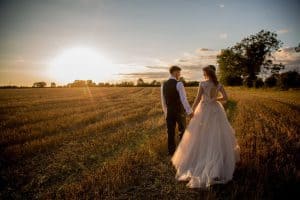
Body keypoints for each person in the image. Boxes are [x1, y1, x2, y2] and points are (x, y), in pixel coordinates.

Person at [171, 65, 240, 188]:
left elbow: (198, 99)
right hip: (215, 109)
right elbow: (225, 98)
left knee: (201, 133)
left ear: (206, 73)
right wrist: (215, 99)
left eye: (203, 73)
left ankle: (202, 158)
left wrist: (191, 111)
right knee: (217, 134)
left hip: (203, 109)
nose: (203, 75)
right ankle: (219, 162)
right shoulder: (218, 84)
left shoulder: (202, 84)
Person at [161, 66, 194, 156]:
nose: (179, 75)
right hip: (179, 111)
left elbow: (163, 101)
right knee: (182, 131)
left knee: (170, 132)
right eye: (179, 72)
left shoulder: (163, 84)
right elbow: (184, 99)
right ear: (175, 72)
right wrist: (190, 111)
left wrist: (166, 113)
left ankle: (171, 152)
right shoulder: (179, 84)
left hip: (169, 112)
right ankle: (183, 152)